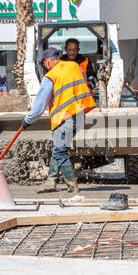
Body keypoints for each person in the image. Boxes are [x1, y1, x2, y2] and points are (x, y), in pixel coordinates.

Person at [22, 47, 97, 193]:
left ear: (48, 61)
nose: (45, 67)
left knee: (60, 151)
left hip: (64, 118)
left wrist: (27, 120)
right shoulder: (74, 66)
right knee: (59, 148)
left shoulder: (51, 76)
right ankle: (51, 181)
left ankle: (72, 184)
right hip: (80, 115)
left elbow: (38, 107)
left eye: (44, 64)